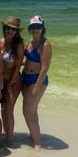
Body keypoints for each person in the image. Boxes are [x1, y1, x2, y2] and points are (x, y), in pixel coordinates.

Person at [22, 15, 52, 149]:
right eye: (32, 27)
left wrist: (37, 87)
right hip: (25, 78)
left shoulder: (46, 44)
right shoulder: (30, 42)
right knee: (32, 111)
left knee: (27, 111)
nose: (35, 30)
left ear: (42, 28)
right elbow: (28, 60)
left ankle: (38, 144)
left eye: (38, 27)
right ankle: (32, 134)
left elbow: (45, 67)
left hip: (37, 80)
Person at [0, 16, 24, 147]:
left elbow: (18, 66)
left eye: (13, 29)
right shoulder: (2, 42)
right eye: (8, 28)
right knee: (2, 110)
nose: (10, 31)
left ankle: (9, 140)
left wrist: (9, 84)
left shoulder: (18, 45)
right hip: (2, 82)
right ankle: (5, 133)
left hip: (14, 82)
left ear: (17, 32)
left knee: (8, 110)